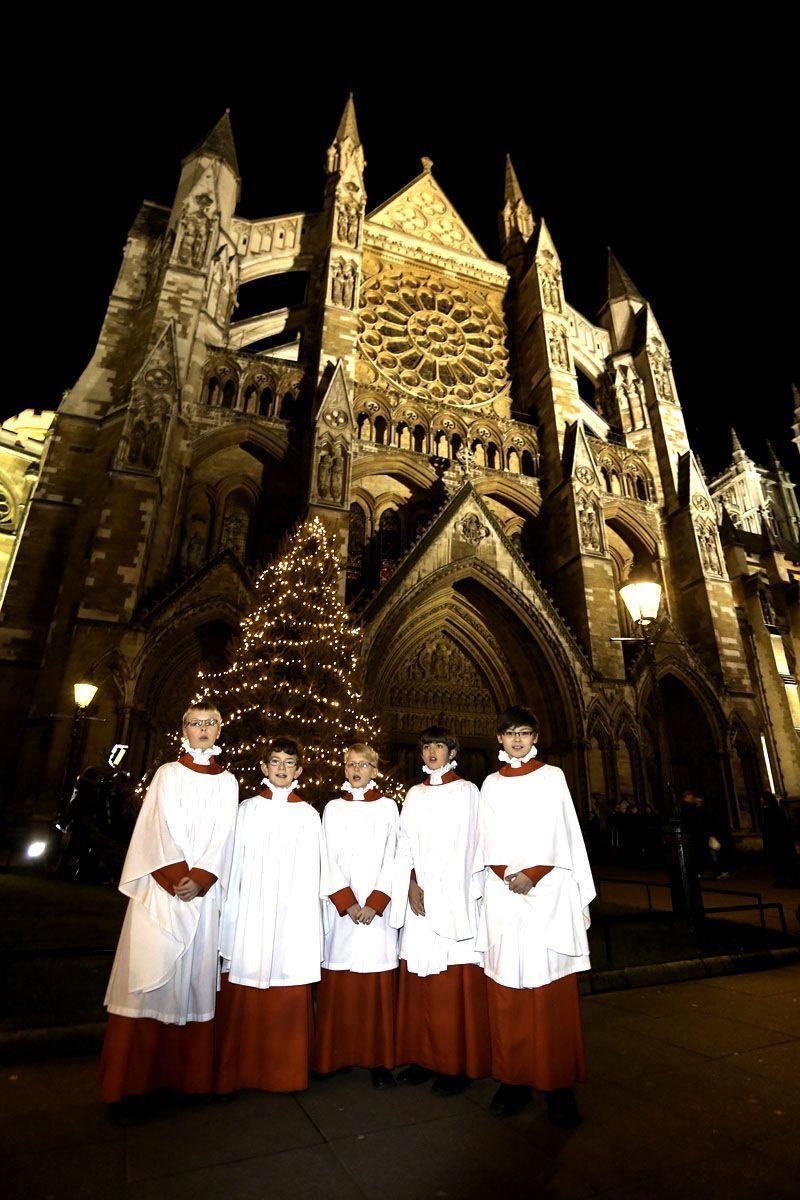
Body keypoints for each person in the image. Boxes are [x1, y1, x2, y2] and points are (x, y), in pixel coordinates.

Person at [99, 702, 238, 1120]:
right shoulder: (167, 774)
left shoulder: (228, 782)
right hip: (162, 891)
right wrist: (178, 876)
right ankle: (131, 1087)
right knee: (147, 976)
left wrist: (201, 878)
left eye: (211, 723)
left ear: (219, 731)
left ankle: (187, 1081)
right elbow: (153, 828)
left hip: (201, 893)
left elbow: (225, 834)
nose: (204, 730)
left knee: (191, 981)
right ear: (184, 729)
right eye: (196, 723)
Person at [477, 706, 595, 1125]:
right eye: (509, 734)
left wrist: (535, 873)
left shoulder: (552, 778)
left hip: (548, 894)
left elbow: (562, 833)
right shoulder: (489, 784)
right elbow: (485, 838)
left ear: (535, 737)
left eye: (524, 733)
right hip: (506, 895)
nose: (517, 741)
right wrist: (509, 873)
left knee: (551, 996)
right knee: (508, 993)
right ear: (500, 739)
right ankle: (512, 1082)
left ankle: (558, 1088)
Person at [214, 737, 323, 1094]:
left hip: (291, 913)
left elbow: (315, 871)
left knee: (286, 979)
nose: (280, 768)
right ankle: (239, 1071)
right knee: (248, 975)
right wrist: (231, 912)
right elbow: (232, 865)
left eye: (288, 762)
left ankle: (285, 1072)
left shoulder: (308, 815)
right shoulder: (247, 810)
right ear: (263, 767)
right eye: (274, 761)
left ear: (299, 770)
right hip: (252, 911)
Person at [392, 726, 491, 1095]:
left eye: (439, 746)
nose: (432, 752)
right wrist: (412, 881)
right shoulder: (414, 795)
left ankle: (457, 1064)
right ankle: (423, 1057)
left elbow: (474, 843)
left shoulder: (468, 791)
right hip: (421, 897)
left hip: (455, 897)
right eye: (427, 747)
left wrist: (454, 888)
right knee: (422, 980)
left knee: (453, 983)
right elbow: (405, 842)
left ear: (452, 752)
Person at [312, 743, 399, 1088]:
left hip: (376, 912)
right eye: (351, 764)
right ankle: (336, 1055)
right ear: (344, 769)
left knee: (376, 981)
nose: (357, 770)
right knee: (341, 981)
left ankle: (379, 1061)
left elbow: (394, 856)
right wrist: (347, 902)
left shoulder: (389, 808)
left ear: (375, 770)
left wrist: (375, 902)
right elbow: (326, 856)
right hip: (343, 913)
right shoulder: (332, 809)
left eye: (364, 764)